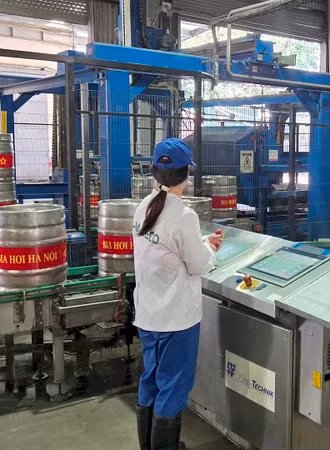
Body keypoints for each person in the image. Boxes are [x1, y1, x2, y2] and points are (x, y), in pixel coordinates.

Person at [132, 138, 223, 450]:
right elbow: (198, 265)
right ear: (187, 174)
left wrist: (201, 243)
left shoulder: (142, 208)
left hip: (148, 315)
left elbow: (164, 253)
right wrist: (210, 249)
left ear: (154, 172)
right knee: (173, 386)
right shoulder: (184, 216)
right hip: (176, 321)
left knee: (151, 379)